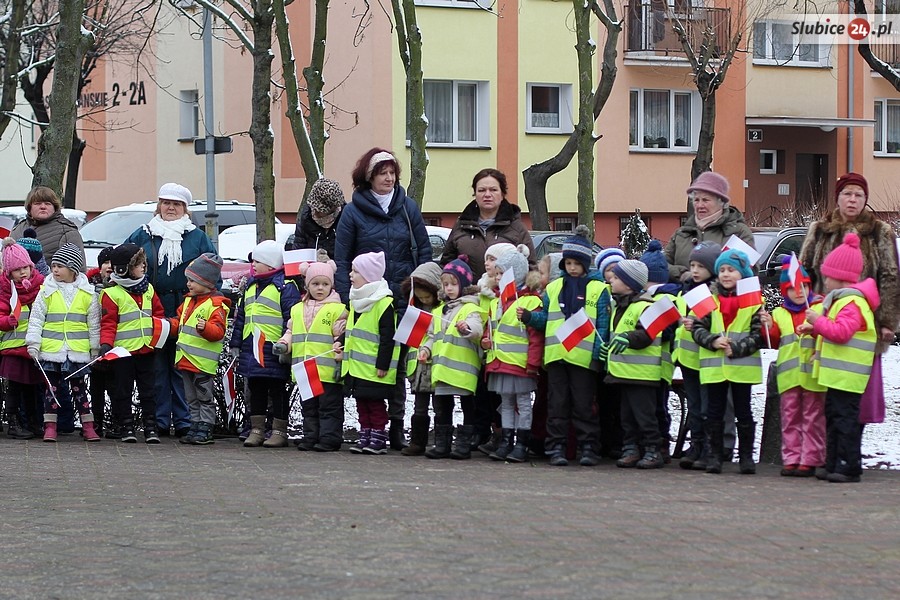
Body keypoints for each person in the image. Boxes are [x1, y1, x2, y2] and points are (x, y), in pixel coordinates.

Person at [334, 148, 431, 450]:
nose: (389, 178)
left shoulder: (408, 207)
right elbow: (342, 259)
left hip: (404, 299)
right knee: (369, 365)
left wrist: (422, 291)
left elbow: (424, 251)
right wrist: (347, 302)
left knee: (400, 366)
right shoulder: (352, 211)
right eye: (382, 173)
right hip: (367, 304)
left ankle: (397, 427)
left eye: (392, 173)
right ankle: (371, 428)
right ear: (369, 177)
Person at [125, 182, 219, 438]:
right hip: (152, 307)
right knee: (156, 366)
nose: (170, 208)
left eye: (176, 204)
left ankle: (185, 420)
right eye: (166, 203)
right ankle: (159, 421)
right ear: (159, 205)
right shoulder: (143, 234)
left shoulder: (197, 237)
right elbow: (124, 263)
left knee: (183, 366)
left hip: (188, 308)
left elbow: (213, 273)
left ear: (185, 209)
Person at [519, 226, 607, 467]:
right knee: (557, 405)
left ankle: (588, 447)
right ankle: (555, 446)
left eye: (577, 263)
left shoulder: (598, 289)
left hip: (584, 358)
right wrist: (530, 317)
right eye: (568, 263)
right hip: (557, 356)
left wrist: (599, 354)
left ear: (585, 264)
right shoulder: (553, 288)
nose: (572, 268)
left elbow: (602, 324)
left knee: (584, 405)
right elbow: (547, 319)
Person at [799, 172, 900, 372]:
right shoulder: (820, 229)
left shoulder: (880, 231)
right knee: (821, 380)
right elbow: (804, 273)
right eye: (847, 194)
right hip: (824, 319)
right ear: (837, 197)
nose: (852, 199)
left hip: (865, 324)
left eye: (858, 195)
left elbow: (891, 278)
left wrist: (887, 322)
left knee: (858, 381)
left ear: (865, 199)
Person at [800, 233, 879, 483]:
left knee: (844, 421)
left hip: (847, 376)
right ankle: (833, 462)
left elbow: (842, 333)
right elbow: (834, 330)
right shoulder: (842, 301)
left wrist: (818, 321)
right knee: (834, 418)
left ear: (841, 277)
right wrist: (815, 329)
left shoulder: (852, 302)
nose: (824, 281)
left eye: (828, 276)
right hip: (838, 375)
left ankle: (848, 466)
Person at [691, 249, 764, 475]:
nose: (725, 274)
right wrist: (713, 341)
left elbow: (759, 335)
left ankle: (746, 457)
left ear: (743, 274)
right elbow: (697, 328)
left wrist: (738, 348)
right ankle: (715, 456)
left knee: (743, 411)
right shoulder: (709, 299)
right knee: (714, 412)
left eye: (731, 270)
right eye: (722, 270)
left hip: (742, 369)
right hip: (715, 369)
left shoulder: (754, 302)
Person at [25, 244, 100, 442]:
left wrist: (95, 348)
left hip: (77, 351)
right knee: (52, 391)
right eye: (53, 266)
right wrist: (33, 343)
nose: (55, 270)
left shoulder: (88, 294)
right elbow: (36, 319)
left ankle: (88, 426)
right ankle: (50, 427)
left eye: (60, 266)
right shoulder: (46, 292)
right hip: (52, 350)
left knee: (80, 390)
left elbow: (94, 324)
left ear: (73, 268)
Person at [759, 257, 825, 477]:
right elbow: (774, 341)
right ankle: (791, 458)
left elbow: (825, 334)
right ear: (784, 291)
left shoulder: (818, 309)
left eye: (803, 286)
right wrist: (768, 327)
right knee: (790, 419)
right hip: (788, 377)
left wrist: (815, 326)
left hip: (812, 376)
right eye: (793, 288)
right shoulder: (779, 313)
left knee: (813, 420)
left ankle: (811, 459)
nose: (799, 292)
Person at [230, 240, 300, 449]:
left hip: (274, 349)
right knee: (256, 388)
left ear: (270, 265)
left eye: (257, 261)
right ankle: (257, 429)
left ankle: (279, 431)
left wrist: (286, 344)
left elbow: (292, 318)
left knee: (277, 390)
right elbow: (241, 318)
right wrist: (236, 343)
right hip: (252, 349)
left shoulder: (285, 287)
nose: (253, 265)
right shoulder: (251, 286)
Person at [274, 259, 348, 452]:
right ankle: (310, 436)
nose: (320, 288)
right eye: (315, 284)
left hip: (327, 370)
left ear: (332, 285)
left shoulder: (338, 310)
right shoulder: (297, 309)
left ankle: (329, 438)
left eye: (325, 284)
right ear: (307, 285)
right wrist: (284, 344)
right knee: (309, 406)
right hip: (305, 369)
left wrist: (341, 355)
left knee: (329, 407)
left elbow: (341, 336)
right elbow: (291, 332)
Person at [100, 244, 169, 444]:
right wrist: (106, 344)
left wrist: (161, 333)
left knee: (148, 391)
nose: (144, 267)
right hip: (123, 353)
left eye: (143, 263)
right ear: (125, 269)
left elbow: (158, 314)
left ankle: (150, 427)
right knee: (123, 390)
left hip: (147, 350)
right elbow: (108, 323)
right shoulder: (111, 294)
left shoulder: (148, 289)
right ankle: (126, 426)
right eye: (139, 264)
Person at [419, 257, 485, 460]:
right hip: (442, 368)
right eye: (445, 284)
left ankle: (464, 444)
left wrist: (467, 328)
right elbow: (432, 336)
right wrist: (426, 349)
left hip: (463, 370)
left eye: (453, 284)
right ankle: (442, 444)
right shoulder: (439, 311)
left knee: (467, 406)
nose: (449, 288)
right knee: (442, 407)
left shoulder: (470, 307)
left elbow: (477, 329)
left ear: (463, 285)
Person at [603, 260, 664, 469]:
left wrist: (628, 338)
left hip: (642, 375)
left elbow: (646, 334)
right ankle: (631, 448)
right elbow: (616, 334)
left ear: (629, 284)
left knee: (645, 416)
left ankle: (653, 450)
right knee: (627, 417)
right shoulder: (619, 306)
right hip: (623, 372)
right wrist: (608, 348)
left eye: (616, 278)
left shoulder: (646, 306)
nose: (611, 280)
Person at [484, 248, 543, 463]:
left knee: (523, 403)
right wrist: (485, 340)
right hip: (499, 361)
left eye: (502, 274)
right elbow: (491, 330)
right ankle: (506, 441)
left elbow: (535, 337)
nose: (498, 278)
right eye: (497, 274)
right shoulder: (496, 302)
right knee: (506, 403)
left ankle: (522, 443)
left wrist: (533, 363)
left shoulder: (530, 302)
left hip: (520, 364)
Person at [337, 251, 400, 455]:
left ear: (368, 276)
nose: (350, 275)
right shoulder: (356, 301)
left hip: (374, 368)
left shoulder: (383, 303)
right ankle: (365, 434)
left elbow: (388, 338)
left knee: (375, 404)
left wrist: (383, 364)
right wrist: (340, 342)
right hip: (357, 367)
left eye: (355, 271)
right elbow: (353, 329)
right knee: (362, 403)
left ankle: (378, 437)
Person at [674, 241, 720, 471]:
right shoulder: (685, 291)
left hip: (707, 360)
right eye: (692, 265)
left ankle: (707, 449)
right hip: (687, 358)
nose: (694, 270)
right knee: (693, 406)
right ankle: (695, 444)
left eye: (701, 266)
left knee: (706, 407)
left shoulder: (715, 294)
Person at [175, 253, 231, 445]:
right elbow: (180, 323)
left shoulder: (216, 305)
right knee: (191, 397)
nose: (188, 284)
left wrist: (205, 328)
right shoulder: (188, 301)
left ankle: (206, 426)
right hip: (186, 359)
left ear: (206, 282)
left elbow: (218, 332)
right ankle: (195, 424)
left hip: (202, 363)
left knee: (204, 396)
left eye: (192, 280)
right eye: (188, 280)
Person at [441, 168, 535, 279]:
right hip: (468, 290)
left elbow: (530, 268)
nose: (487, 194)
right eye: (481, 190)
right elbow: (447, 265)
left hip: (505, 289)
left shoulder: (517, 228)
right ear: (475, 194)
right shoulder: (461, 226)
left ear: (502, 194)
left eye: (493, 190)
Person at [664, 171, 754, 283]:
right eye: (696, 200)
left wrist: (715, 279)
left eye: (705, 200)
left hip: (721, 294)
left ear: (721, 202)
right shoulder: (681, 233)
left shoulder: (738, 232)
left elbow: (750, 270)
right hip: (683, 293)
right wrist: (682, 274)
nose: (700, 205)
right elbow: (662, 265)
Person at [640, 240, 682, 462]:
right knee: (654, 408)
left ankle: (661, 446)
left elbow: (666, 332)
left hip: (658, 365)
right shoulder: (659, 298)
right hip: (650, 366)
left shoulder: (666, 300)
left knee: (657, 408)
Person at [0, 238, 45, 439]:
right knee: (15, 387)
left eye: (25, 267)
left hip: (33, 346)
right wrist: (6, 321)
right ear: (9, 272)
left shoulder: (41, 287)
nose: (23, 272)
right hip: (13, 347)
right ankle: (13, 422)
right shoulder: (5, 290)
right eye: (17, 270)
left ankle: (33, 422)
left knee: (32, 386)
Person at [398, 262, 443, 457]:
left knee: (440, 406)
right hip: (417, 367)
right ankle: (417, 442)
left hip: (436, 365)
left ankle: (441, 442)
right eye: (420, 297)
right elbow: (407, 340)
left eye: (427, 296)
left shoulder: (442, 311)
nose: (424, 300)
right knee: (419, 406)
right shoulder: (414, 310)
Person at [11, 187, 84, 265]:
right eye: (38, 203)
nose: (43, 207)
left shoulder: (67, 231)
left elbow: (78, 268)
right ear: (29, 207)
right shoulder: (18, 230)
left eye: (47, 204)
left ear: (54, 207)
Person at [86, 246, 114, 436]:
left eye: (113, 263)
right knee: (96, 386)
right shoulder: (88, 287)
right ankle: (96, 421)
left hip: (115, 343)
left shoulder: (122, 287)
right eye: (105, 262)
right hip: (95, 343)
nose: (109, 267)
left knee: (115, 386)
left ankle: (116, 420)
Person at [290, 178, 345, 260]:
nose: (314, 212)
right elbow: (298, 254)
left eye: (319, 210)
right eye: (313, 207)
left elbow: (351, 257)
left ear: (333, 209)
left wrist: (332, 263)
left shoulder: (346, 220)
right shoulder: (306, 219)